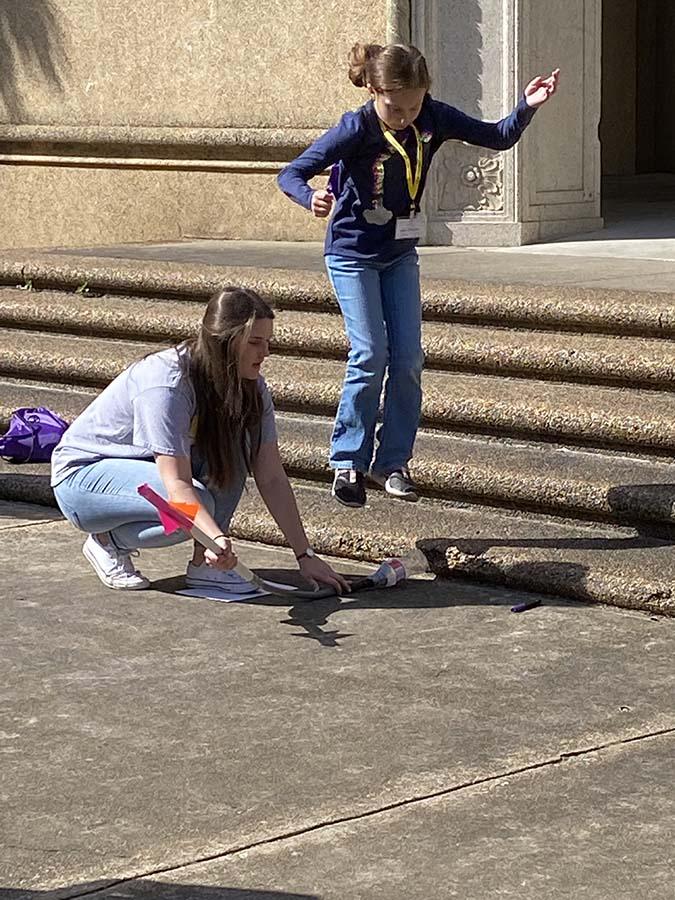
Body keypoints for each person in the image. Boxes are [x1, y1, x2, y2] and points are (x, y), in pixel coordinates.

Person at [278, 42, 559, 508]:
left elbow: (497, 136)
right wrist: (311, 199)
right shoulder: (355, 128)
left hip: (399, 254)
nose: (406, 116)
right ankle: (348, 460)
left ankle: (392, 463)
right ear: (373, 90)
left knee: (408, 360)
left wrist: (526, 107)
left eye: (414, 106)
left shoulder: (432, 115)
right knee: (370, 354)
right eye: (396, 106)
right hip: (352, 254)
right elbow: (292, 172)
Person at [51, 286, 350, 595]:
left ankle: (205, 567)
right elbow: (178, 486)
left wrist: (305, 555)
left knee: (232, 452)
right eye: (256, 342)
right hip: (83, 477)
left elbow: (271, 475)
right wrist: (215, 537)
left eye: (268, 342)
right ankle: (106, 541)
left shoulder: (252, 388)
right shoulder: (166, 384)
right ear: (226, 343)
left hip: (147, 473)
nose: (266, 353)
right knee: (193, 507)